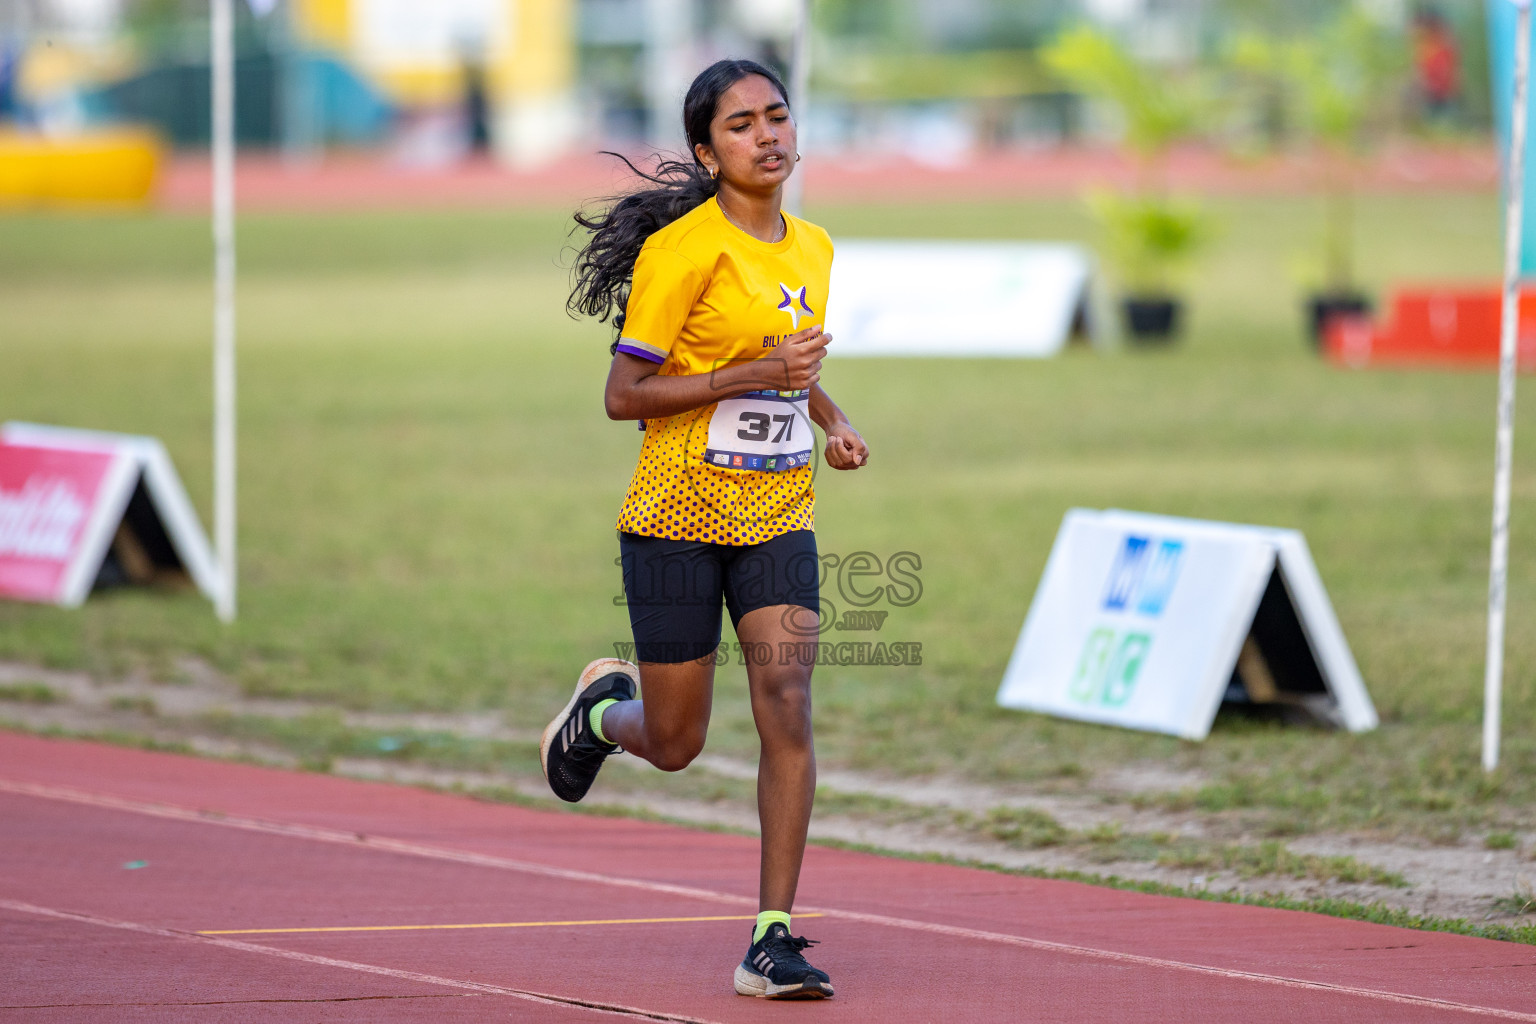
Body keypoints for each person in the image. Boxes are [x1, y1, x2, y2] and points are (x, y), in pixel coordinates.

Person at [545, 58, 868, 1000]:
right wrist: (739, 379)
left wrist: (830, 418)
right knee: (679, 742)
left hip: (776, 514)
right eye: (741, 125)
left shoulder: (813, 247)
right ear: (706, 151)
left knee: (788, 702)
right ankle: (601, 717)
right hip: (675, 521)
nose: (767, 135)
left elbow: (789, 365)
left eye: (777, 116)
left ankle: (771, 938)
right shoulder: (683, 252)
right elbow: (623, 396)